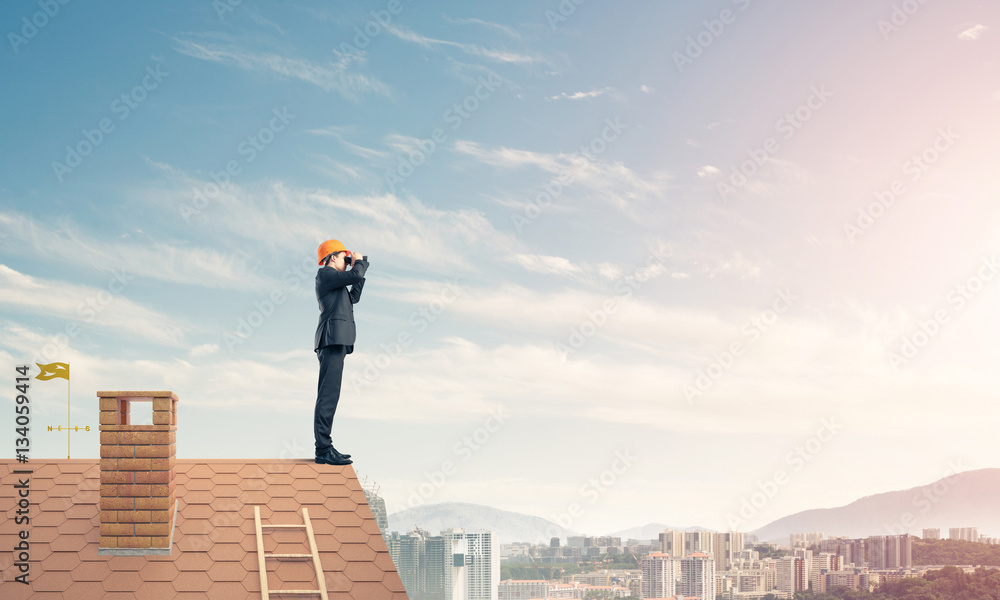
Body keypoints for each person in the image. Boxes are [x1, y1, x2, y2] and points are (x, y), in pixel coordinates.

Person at [313, 239, 369, 466]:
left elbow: (354, 295)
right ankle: (323, 449)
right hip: (331, 339)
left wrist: (360, 264)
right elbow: (354, 275)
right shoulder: (325, 274)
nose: (347, 262)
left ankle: (325, 447)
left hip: (337, 341)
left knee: (331, 395)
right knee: (327, 396)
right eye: (343, 258)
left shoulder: (337, 285)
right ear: (332, 257)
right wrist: (358, 262)